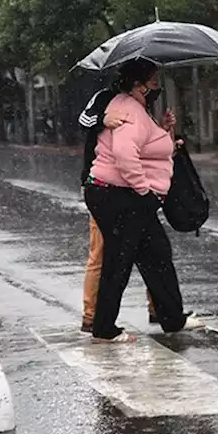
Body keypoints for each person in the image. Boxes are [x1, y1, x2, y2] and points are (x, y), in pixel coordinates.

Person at [84, 58, 203, 343]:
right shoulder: (128, 109)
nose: (157, 87)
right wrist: (144, 192)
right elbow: (125, 155)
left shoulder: (139, 108)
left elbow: (148, 148)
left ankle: (173, 318)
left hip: (124, 195)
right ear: (138, 85)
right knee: (118, 260)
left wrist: (164, 131)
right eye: (153, 82)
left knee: (156, 254)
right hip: (118, 195)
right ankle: (103, 328)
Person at [78, 79, 156, 334]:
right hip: (106, 188)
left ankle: (159, 306)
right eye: (147, 81)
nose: (151, 87)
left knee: (150, 250)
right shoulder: (104, 97)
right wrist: (103, 118)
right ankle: (91, 316)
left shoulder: (143, 102)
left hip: (137, 187)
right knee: (102, 251)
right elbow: (84, 120)